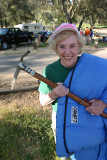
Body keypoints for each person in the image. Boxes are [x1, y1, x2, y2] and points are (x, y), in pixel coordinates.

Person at [38, 23, 107, 160]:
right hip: (61, 121)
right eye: (62, 46)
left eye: (72, 46)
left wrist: (103, 103)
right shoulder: (50, 70)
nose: (67, 52)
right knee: (67, 154)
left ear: (80, 46)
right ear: (55, 48)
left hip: (89, 121)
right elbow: (42, 101)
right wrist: (54, 94)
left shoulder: (94, 66)